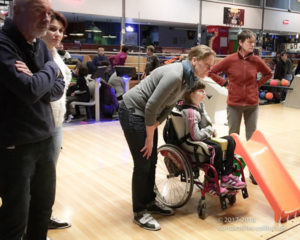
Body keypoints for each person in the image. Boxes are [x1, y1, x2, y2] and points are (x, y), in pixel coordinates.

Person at [118, 45, 216, 231]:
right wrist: (149, 137)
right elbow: (151, 106)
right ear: (194, 61)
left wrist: (157, 124)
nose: (209, 70)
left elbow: (170, 105)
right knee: (143, 162)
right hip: (133, 110)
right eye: (207, 65)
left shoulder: (189, 78)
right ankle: (140, 211)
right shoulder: (175, 75)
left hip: (147, 114)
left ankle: (149, 201)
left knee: (152, 160)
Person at [0, 0, 65, 239]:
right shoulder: (4, 44)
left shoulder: (40, 45)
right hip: (14, 145)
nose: (47, 19)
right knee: (16, 215)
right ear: (18, 11)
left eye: (49, 13)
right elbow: (29, 91)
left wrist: (39, 79)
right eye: (40, 11)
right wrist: (50, 68)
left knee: (42, 208)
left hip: (45, 139)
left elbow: (57, 88)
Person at [208, 29, 272, 185]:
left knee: (252, 140)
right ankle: (232, 171)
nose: (252, 45)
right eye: (249, 42)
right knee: (233, 139)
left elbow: (268, 73)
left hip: (252, 105)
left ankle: (253, 173)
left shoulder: (256, 60)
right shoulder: (230, 60)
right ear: (241, 43)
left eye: (253, 42)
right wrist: (225, 83)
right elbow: (212, 72)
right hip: (234, 105)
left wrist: (256, 85)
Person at [179, 81, 246, 195]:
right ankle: (211, 183)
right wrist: (210, 130)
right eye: (201, 91)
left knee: (231, 140)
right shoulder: (190, 112)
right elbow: (196, 136)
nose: (204, 93)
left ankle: (226, 176)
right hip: (194, 142)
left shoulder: (201, 106)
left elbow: (207, 124)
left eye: (204, 91)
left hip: (204, 137)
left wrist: (210, 129)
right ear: (190, 93)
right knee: (216, 148)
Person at [41, 10, 72, 230]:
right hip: (39, 126)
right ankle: (31, 225)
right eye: (52, 29)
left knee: (47, 179)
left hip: (56, 125)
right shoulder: (34, 54)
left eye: (60, 30)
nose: (57, 34)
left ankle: (42, 218)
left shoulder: (55, 55)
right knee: (37, 180)